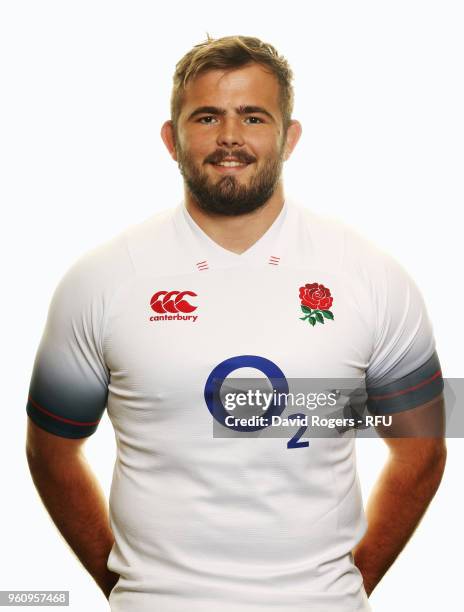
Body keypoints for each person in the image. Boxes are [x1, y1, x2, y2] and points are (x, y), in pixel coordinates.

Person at [25, 35, 447, 612]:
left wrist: (345, 588)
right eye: (207, 117)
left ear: (289, 137)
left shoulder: (370, 275)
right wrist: (130, 589)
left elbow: (421, 449)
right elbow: (51, 451)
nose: (229, 136)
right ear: (172, 140)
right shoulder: (100, 279)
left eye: (253, 116)